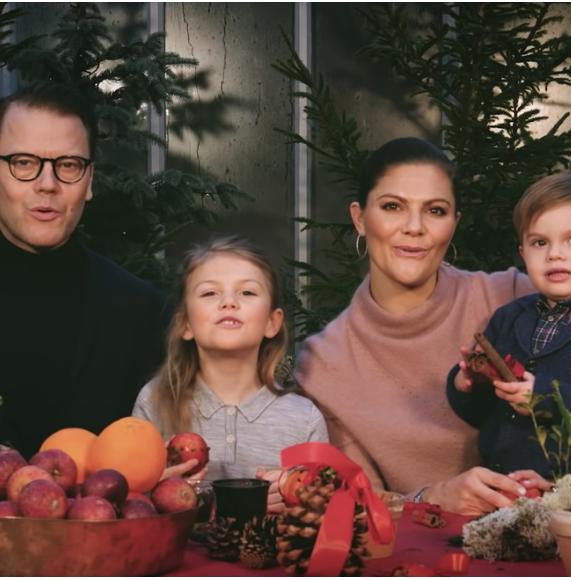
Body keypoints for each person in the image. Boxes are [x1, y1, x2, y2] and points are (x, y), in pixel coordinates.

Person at [293, 136, 552, 516]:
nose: (414, 227)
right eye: (393, 206)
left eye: (434, 210)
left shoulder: (516, 295)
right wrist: (433, 497)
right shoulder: (324, 364)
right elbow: (359, 511)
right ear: (359, 218)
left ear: (454, 223)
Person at [0, 81, 171, 460]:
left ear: (89, 181)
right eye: (23, 163)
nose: (48, 184)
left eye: (69, 165)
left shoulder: (140, 312)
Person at [131, 236, 329, 510]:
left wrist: (298, 499)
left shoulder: (303, 419)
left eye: (247, 293)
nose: (228, 302)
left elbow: (326, 508)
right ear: (185, 324)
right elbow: (129, 502)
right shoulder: (155, 401)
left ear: (272, 323)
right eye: (209, 293)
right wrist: (155, 489)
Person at [447, 172, 571, 480]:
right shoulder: (508, 318)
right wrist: (466, 384)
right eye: (540, 242)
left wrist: (545, 397)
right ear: (523, 253)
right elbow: (480, 414)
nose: (554, 253)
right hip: (501, 486)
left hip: (568, 500)